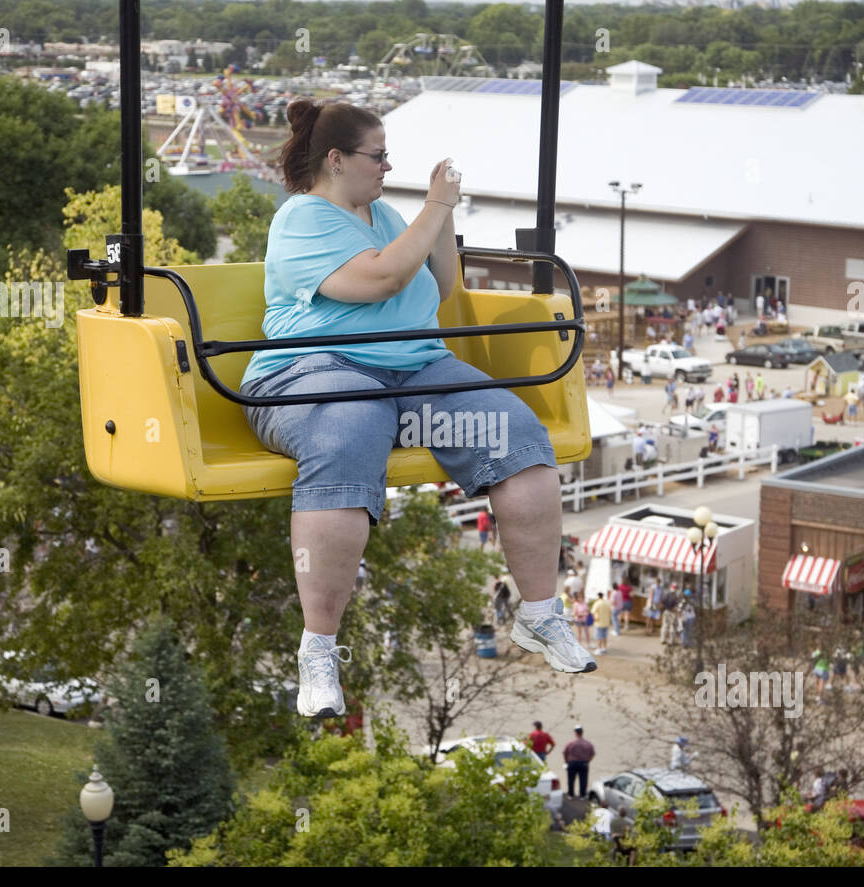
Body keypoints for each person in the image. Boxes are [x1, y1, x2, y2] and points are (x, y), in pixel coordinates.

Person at [237, 99, 596, 717]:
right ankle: (318, 651)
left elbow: (442, 285)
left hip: (413, 375)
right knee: (348, 431)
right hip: (311, 372)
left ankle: (538, 613)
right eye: (377, 156)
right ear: (336, 159)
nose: (387, 166)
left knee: (516, 434)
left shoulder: (383, 214)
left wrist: (440, 217)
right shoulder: (302, 219)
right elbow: (377, 281)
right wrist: (433, 207)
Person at [563, 725, 595, 798]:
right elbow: (592, 753)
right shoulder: (588, 743)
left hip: (572, 763)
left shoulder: (571, 743)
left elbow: (564, 752)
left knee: (571, 779)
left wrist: (566, 761)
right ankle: (582, 795)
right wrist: (588, 760)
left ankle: (571, 794)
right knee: (583, 780)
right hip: (584, 763)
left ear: (575, 733)